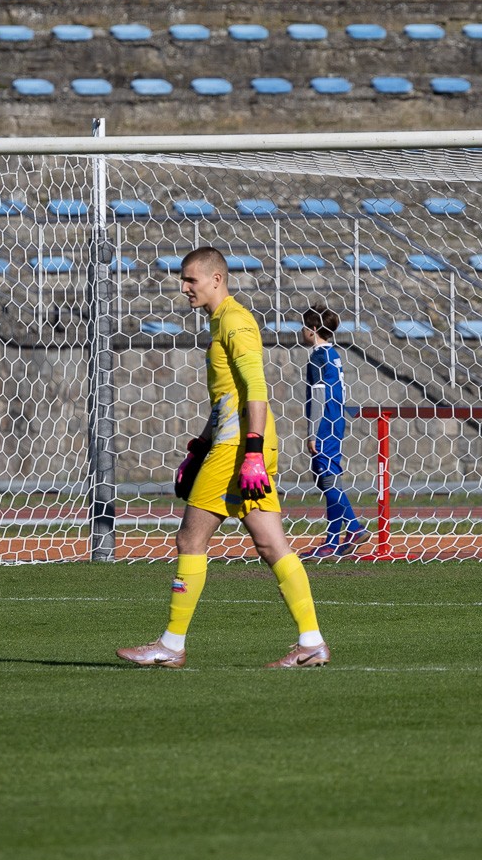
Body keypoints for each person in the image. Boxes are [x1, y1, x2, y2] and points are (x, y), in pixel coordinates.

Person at [117, 246, 330, 669]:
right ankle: (312, 643)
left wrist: (250, 452)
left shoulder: (235, 321)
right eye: (183, 279)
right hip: (240, 444)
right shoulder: (220, 322)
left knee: (190, 540)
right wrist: (199, 445)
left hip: (238, 449)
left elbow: (256, 389)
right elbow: (227, 398)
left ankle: (171, 646)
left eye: (190, 279)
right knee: (271, 544)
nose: (184, 287)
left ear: (216, 279)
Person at [299, 305, 367, 557]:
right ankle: (333, 541)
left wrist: (312, 433)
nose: (301, 331)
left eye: (304, 326)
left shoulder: (318, 356)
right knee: (326, 479)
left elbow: (319, 395)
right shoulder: (333, 353)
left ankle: (352, 528)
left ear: (313, 328)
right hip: (335, 419)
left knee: (327, 479)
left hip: (324, 423)